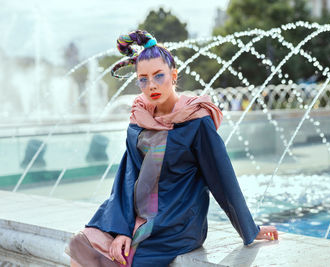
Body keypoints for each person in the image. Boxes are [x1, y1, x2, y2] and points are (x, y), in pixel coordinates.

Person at [65, 30, 278, 267]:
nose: (151, 85)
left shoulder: (196, 120)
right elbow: (128, 177)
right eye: (143, 79)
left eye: (159, 76)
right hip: (136, 214)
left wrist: (250, 229)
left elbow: (222, 177)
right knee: (81, 249)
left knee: (118, 259)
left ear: (174, 75)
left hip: (178, 222)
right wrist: (122, 229)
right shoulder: (139, 119)